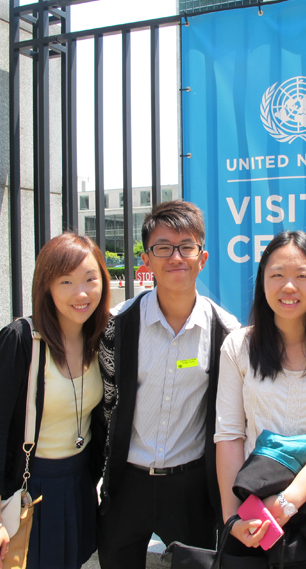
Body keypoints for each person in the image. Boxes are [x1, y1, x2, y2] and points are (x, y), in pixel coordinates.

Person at [95, 200, 241, 569]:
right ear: (147, 260)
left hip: (190, 487)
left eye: (186, 247)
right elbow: (105, 404)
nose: (175, 257)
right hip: (128, 484)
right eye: (163, 248)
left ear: (202, 257)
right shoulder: (118, 326)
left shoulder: (227, 333)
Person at [215, 230, 306, 568]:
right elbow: (229, 435)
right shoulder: (238, 347)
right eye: (277, 275)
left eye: (302, 276)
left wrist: (285, 503)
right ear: (262, 282)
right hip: (253, 512)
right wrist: (231, 519)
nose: (289, 286)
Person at [0, 232, 111, 569]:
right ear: (46, 286)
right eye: (66, 281)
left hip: (78, 483)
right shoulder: (21, 340)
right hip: (30, 485)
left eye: (90, 279)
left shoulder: (102, 340)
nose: (81, 293)